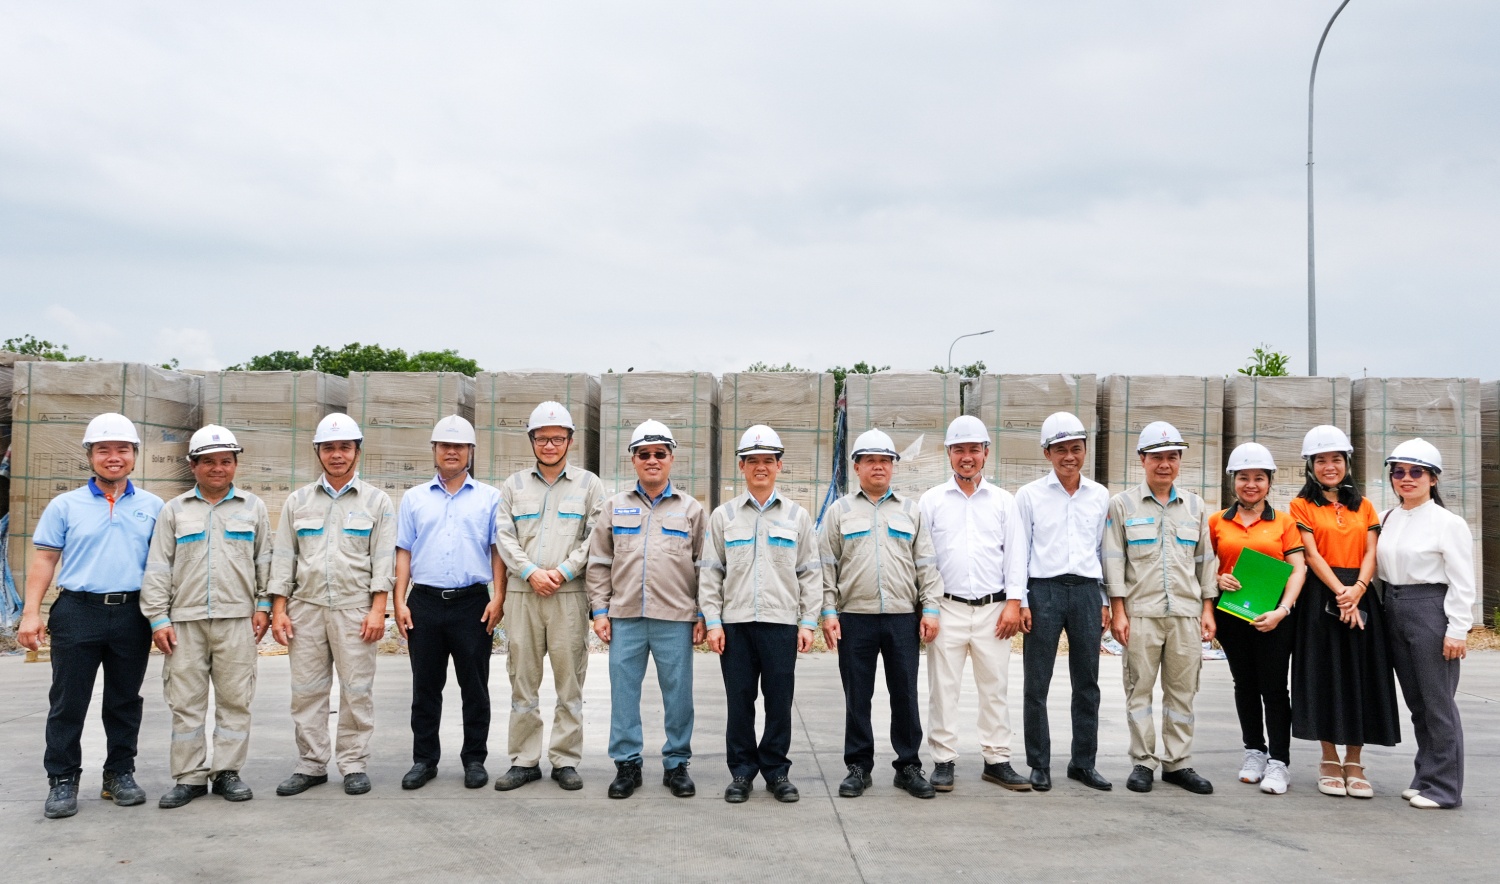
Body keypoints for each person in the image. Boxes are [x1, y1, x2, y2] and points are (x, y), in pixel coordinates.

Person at [17, 414, 164, 819]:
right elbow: (45, 559)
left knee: (124, 700)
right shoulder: (65, 505)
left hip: (132, 613)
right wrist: (31, 613)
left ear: (135, 455)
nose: (113, 457)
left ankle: (119, 773)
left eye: (122, 449)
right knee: (68, 701)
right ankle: (62, 779)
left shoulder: (153, 507)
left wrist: (161, 617)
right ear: (90, 456)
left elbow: (163, 566)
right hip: (78, 610)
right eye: (103, 450)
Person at [141, 425, 272, 808]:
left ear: (235, 465)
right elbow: (158, 567)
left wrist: (264, 606)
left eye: (226, 461)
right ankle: (189, 777)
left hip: (237, 620)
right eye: (209, 461)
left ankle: (228, 772)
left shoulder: (253, 508)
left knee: (235, 700)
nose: (218, 468)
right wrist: (158, 619)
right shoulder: (174, 511)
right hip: (184, 623)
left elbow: (266, 561)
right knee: (186, 703)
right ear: (193, 465)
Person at [267, 414, 396, 797]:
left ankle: (353, 764)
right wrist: (279, 609)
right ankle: (311, 764)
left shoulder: (376, 501)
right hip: (305, 609)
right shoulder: (298, 501)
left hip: (356, 610)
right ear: (318, 452)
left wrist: (378, 609)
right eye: (329, 448)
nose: (337, 455)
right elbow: (284, 557)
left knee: (357, 691)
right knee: (307, 691)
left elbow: (383, 559)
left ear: (357, 451)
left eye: (344, 447)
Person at [699, 425, 821, 804]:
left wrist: (808, 622)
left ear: (779, 465)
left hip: (781, 624)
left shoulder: (797, 516)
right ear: (741, 466)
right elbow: (711, 572)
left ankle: (776, 772)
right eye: (753, 461)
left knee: (779, 702)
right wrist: (713, 622)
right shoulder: (724, 516)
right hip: (735, 625)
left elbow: (810, 572)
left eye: (768, 460)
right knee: (739, 702)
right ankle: (741, 773)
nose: (761, 467)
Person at [820, 428, 944, 800]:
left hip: (902, 618)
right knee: (858, 696)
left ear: (893, 467)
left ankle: (908, 767)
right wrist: (828, 611)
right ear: (856, 467)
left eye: (885, 461)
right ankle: (858, 767)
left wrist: (931, 609)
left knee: (904, 694)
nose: (878, 467)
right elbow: (826, 565)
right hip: (854, 618)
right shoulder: (840, 512)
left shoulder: (911, 511)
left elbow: (926, 564)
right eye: (870, 460)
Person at [587, 420, 707, 799]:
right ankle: (627, 765)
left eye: (659, 454)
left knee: (678, 694)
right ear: (633, 460)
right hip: (625, 617)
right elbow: (599, 561)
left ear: (671, 458)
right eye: (644, 454)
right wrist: (600, 611)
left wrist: (702, 613)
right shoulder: (614, 506)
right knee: (623, 693)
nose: (652, 460)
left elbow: (704, 565)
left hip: (676, 618)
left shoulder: (691, 509)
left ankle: (677, 765)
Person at [492, 402, 606, 793]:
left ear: (570, 441)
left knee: (569, 682)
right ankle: (523, 761)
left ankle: (565, 760)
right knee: (522, 680)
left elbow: (595, 537)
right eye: (542, 438)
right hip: (523, 595)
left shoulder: (589, 485)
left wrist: (561, 572)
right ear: (532, 441)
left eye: (558, 438)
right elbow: (504, 536)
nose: (550, 445)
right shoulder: (513, 486)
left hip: (568, 595)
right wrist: (530, 572)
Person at [1102, 420, 1216, 795]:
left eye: (1172, 457)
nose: (1164, 464)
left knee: (1182, 693)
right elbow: (1114, 559)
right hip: (1141, 615)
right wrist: (1118, 610)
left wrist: (1207, 610)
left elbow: (1205, 561)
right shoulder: (1122, 505)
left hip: (1185, 614)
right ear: (1142, 459)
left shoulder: (1195, 506)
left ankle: (1178, 763)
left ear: (1179, 460)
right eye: (1156, 457)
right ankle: (1143, 762)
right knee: (1139, 691)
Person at [391, 415, 505, 791]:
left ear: (470, 451)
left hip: (472, 603)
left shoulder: (489, 498)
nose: (451, 452)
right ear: (434, 450)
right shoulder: (414, 498)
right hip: (423, 602)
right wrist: (399, 601)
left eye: (459, 446)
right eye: (445, 445)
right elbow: (404, 552)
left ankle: (474, 759)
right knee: (425, 688)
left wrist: (498, 597)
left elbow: (497, 551)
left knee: (475, 687)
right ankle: (424, 760)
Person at [919, 416, 1030, 794]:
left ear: (986, 453)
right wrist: (928, 609)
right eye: (959, 450)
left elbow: (1016, 555)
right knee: (943, 688)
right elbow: (924, 558)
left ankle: (997, 760)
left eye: (974, 450)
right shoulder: (932, 501)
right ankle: (943, 760)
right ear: (948, 454)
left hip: (993, 611)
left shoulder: (1003, 502)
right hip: (946, 607)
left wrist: (1014, 604)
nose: (967, 457)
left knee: (995, 687)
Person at [1289, 425, 1400, 799]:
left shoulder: (1364, 505)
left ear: (1347, 462)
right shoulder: (1301, 506)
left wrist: (1358, 591)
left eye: (1336, 459)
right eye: (1321, 460)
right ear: (1310, 466)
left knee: (1360, 675)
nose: (1329, 466)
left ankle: (1354, 761)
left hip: (1361, 594)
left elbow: (1371, 552)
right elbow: (1311, 554)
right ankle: (1328, 759)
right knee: (1324, 674)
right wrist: (1341, 593)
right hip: (1321, 596)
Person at [1014, 412, 1112, 793]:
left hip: (1086, 592)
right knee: (1037, 682)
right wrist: (1022, 600)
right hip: (1044, 592)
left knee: (1087, 682)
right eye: (1060, 450)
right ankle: (1039, 763)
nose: (1069, 456)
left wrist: (1103, 599)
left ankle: (1083, 763)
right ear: (1047, 453)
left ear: (1085, 450)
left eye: (1076, 448)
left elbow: (1102, 550)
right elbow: (1020, 551)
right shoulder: (1029, 496)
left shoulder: (1099, 496)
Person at [1376, 439, 1473, 809]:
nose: (1406, 478)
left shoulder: (1448, 523)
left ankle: (1445, 788)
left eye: (1417, 472)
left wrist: (1457, 629)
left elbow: (1463, 581)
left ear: (1433, 478)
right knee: (1417, 703)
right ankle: (1425, 777)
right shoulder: (1386, 518)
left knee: (1438, 702)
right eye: (1399, 471)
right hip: (1393, 607)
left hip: (1431, 608)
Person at [1206, 443, 1307, 796]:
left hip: (1274, 617)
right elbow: (1202, 566)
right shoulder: (1217, 521)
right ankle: (1254, 751)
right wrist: (1217, 578)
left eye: (1259, 478)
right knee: (1244, 684)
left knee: (1274, 688)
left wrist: (1283, 610)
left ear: (1269, 482)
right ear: (1233, 481)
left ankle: (1279, 761)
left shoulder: (1284, 522)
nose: (1251, 484)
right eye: (1244, 477)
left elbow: (1298, 570)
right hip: (1232, 615)